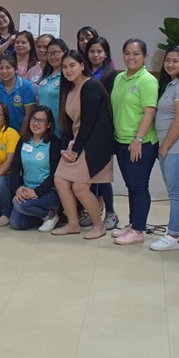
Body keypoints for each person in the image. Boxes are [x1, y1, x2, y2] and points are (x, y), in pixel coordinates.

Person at [50, 50, 115, 240]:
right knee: (60, 180)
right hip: (78, 142)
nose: (68, 70)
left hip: (94, 144)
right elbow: (68, 123)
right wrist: (65, 148)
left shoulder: (91, 86)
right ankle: (73, 223)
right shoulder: (69, 89)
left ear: (82, 66)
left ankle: (98, 225)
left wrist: (76, 150)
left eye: (72, 65)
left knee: (79, 187)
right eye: (64, 67)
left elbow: (89, 123)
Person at [110, 38, 159, 246]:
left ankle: (139, 230)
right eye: (127, 53)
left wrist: (138, 139)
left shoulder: (147, 80)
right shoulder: (120, 77)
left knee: (139, 186)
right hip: (121, 141)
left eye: (136, 53)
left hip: (140, 143)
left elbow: (150, 111)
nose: (131, 57)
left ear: (145, 56)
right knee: (131, 185)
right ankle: (132, 224)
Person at [150, 46, 179, 251]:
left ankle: (173, 235)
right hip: (170, 145)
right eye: (167, 60)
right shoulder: (171, 84)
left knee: (176, 193)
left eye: (175, 61)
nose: (170, 64)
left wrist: (165, 146)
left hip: (177, 146)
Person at [85, 36, 120, 231]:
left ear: (106, 53)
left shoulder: (111, 75)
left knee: (103, 175)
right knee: (90, 173)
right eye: (92, 51)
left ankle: (111, 213)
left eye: (99, 51)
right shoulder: (85, 72)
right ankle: (93, 212)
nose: (96, 54)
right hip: (87, 129)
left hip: (103, 130)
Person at [8, 106, 61, 231]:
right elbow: (15, 166)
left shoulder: (54, 143)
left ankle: (51, 215)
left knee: (19, 205)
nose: (36, 123)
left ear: (48, 125)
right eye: (34, 119)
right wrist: (17, 189)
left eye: (41, 121)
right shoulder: (23, 140)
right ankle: (42, 215)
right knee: (16, 224)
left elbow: (55, 174)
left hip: (49, 191)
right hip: (27, 188)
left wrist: (37, 192)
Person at [0, 57, 36, 134]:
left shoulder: (26, 86)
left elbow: (29, 114)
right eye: (1, 68)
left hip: (21, 132)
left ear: (15, 69)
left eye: (8, 68)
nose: (4, 71)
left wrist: (22, 136)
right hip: (2, 133)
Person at [36, 38, 67, 137]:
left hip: (60, 128)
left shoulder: (66, 75)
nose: (52, 57)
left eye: (56, 53)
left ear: (65, 53)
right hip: (44, 127)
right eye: (49, 53)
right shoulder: (47, 74)